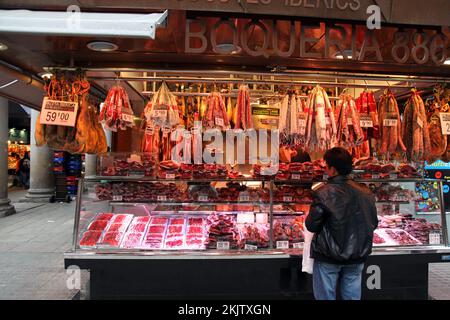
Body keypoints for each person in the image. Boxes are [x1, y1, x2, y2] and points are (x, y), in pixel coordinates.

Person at [305, 147, 378, 300]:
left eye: (326, 166)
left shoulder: (324, 193)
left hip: (329, 255)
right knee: (352, 296)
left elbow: (311, 225)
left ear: (332, 169)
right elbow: (374, 223)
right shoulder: (366, 192)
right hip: (357, 254)